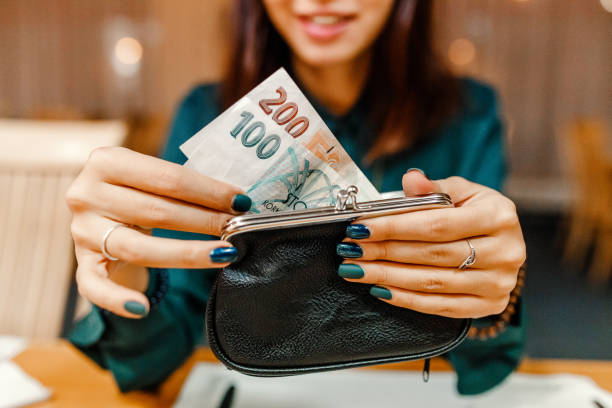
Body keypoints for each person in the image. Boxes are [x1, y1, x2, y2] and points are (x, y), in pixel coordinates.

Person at [67, 0, 526, 396]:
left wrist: (496, 287)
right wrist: (127, 271)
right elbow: (156, 359)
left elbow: (484, 363)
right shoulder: (208, 115)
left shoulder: (469, 116)